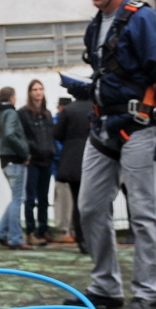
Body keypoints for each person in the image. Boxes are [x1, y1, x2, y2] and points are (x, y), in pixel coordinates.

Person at [61, 0, 156, 309]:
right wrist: (84, 89)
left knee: (145, 213)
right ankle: (106, 287)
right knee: (90, 207)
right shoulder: (96, 25)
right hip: (103, 128)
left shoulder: (145, 21)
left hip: (141, 128)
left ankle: (148, 295)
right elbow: (114, 77)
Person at [0, 86, 32, 251]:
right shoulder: (11, 113)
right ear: (13, 98)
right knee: (18, 199)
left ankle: (1, 233)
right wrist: (24, 153)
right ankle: (16, 238)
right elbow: (10, 135)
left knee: (16, 198)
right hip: (15, 162)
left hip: (5, 162)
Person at [17, 79, 56, 246]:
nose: (38, 92)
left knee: (44, 198)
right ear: (30, 93)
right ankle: (31, 231)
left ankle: (43, 229)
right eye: (35, 89)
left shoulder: (47, 114)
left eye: (40, 89)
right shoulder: (23, 113)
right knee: (30, 198)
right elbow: (22, 136)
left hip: (47, 160)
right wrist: (28, 153)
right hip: (32, 161)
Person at [53, 96, 93, 254]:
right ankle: (97, 239)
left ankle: (82, 241)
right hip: (94, 159)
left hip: (73, 163)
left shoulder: (69, 111)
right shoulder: (95, 106)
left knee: (77, 203)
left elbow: (57, 133)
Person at [52, 97, 76, 244]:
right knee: (65, 201)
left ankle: (69, 230)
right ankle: (65, 230)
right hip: (62, 167)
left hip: (64, 167)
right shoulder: (58, 123)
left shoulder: (60, 122)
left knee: (68, 201)